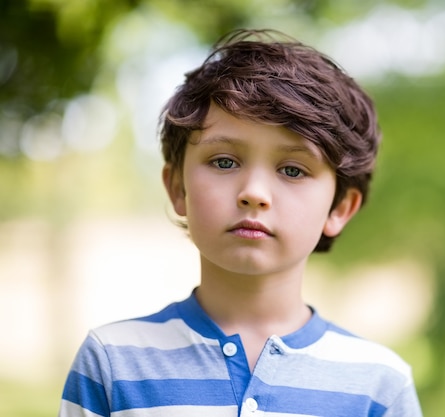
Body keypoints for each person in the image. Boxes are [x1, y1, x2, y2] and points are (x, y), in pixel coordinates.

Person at [58, 28, 424, 417]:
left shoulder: (379, 386)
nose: (254, 192)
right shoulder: (113, 363)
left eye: (293, 170)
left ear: (339, 208)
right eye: (224, 162)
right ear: (178, 188)